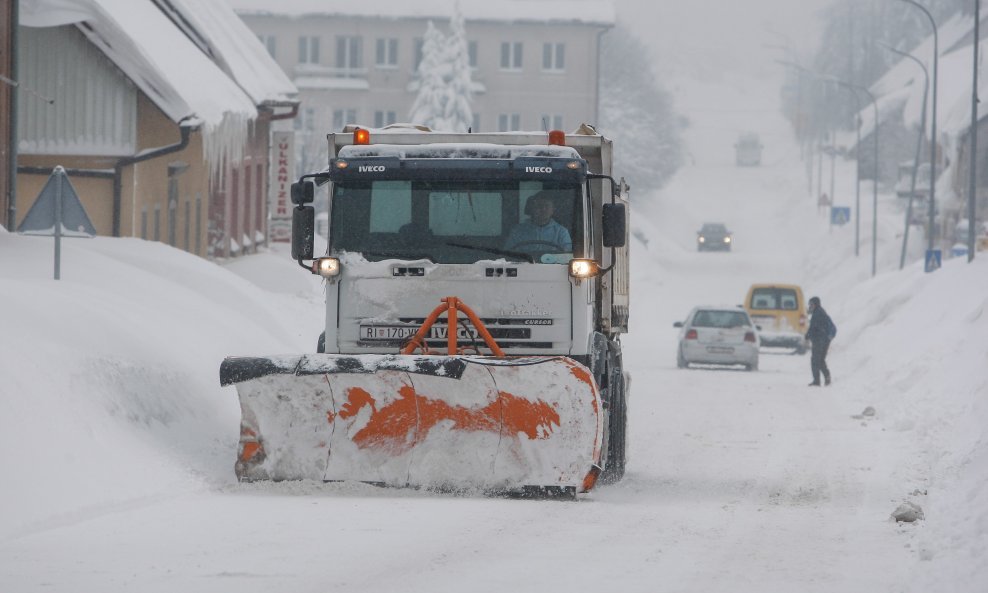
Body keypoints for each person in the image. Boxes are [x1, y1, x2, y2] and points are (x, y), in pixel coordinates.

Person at [505, 191, 572, 253]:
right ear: (532, 209)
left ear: (553, 210)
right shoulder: (517, 231)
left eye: (547, 206)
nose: (543, 209)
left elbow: (566, 255)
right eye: (539, 206)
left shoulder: (561, 232)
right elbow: (508, 254)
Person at [804, 296, 833, 387]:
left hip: (819, 341)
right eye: (809, 304)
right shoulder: (820, 312)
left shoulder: (818, 314)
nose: (810, 306)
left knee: (815, 360)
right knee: (820, 360)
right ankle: (827, 377)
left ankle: (817, 381)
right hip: (824, 340)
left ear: (816, 304)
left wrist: (808, 335)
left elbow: (813, 327)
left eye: (811, 304)